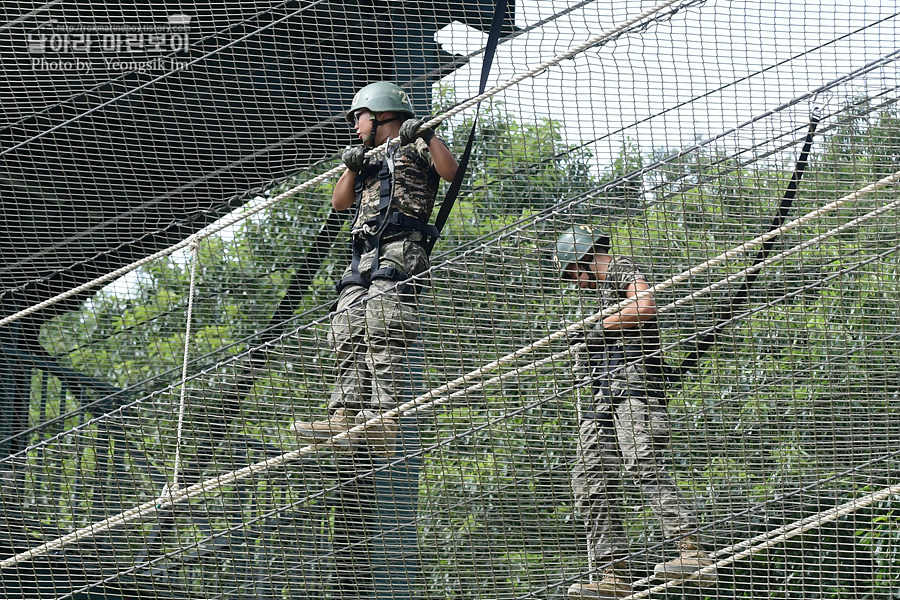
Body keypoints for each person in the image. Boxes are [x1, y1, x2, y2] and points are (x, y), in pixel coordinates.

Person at [290, 82, 458, 458]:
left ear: (380, 113)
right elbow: (339, 203)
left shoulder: (416, 144)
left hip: (401, 246)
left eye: (358, 118)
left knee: (384, 321)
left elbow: (451, 173)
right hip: (363, 253)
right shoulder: (365, 159)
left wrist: (428, 134)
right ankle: (344, 415)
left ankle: (383, 417)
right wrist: (351, 167)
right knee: (346, 328)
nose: (354, 126)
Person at [555, 224, 717, 599]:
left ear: (583, 260)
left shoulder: (621, 269)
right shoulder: (599, 302)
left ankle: (690, 549)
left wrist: (597, 330)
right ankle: (612, 573)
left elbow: (644, 305)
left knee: (641, 461)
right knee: (590, 480)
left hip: (634, 390)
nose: (575, 284)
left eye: (572, 275)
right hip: (600, 400)